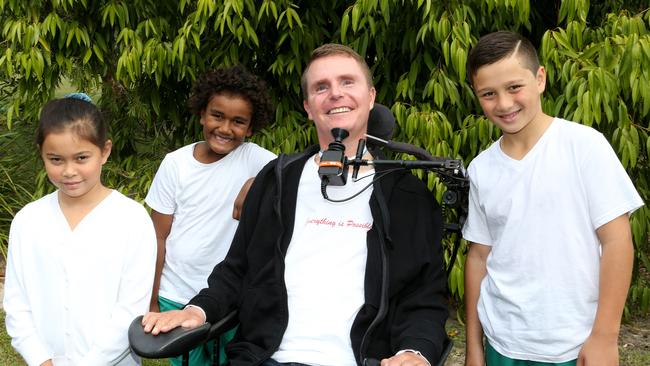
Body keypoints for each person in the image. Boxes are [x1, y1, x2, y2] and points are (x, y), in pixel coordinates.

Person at [141, 43, 449, 366]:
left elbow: (423, 297)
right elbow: (235, 271)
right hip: (265, 358)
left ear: (370, 97)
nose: (335, 94)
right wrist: (197, 310)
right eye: (321, 87)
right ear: (307, 106)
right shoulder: (277, 181)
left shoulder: (406, 195)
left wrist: (415, 352)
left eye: (347, 82)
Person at [462, 31, 644, 366]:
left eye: (514, 87)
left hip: (574, 344)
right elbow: (478, 257)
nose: (503, 103)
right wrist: (474, 347)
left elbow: (618, 241)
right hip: (503, 343)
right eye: (488, 94)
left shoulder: (585, 146)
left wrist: (605, 336)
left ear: (540, 78)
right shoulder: (481, 168)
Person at [3, 94, 157, 365]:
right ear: (42, 154)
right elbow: (17, 304)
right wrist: (41, 359)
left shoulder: (131, 220)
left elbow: (131, 309)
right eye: (56, 159)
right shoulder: (28, 221)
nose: (69, 171)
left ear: (105, 151)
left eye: (81, 157)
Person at [144, 65, 276, 365]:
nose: (226, 128)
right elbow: (157, 237)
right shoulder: (175, 165)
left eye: (238, 121)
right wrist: (151, 301)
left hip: (230, 298)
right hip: (175, 294)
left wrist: (258, 181)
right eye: (218, 116)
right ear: (202, 114)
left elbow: (295, 173)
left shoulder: (257, 160)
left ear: (251, 127)